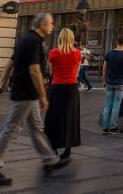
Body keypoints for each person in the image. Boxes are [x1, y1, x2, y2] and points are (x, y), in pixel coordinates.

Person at [0, 13, 70, 185]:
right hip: (27, 93)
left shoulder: (24, 39)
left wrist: (0, 88)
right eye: (50, 23)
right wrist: (44, 96)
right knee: (11, 130)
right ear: (42, 24)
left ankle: (50, 160)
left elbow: (9, 65)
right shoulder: (33, 41)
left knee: (36, 127)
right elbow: (34, 70)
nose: (52, 26)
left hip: (28, 93)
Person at [44, 28, 82, 159]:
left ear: (59, 38)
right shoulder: (77, 53)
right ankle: (68, 148)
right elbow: (77, 71)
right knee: (70, 116)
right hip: (72, 87)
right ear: (71, 39)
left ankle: (53, 146)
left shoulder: (53, 53)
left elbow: (51, 72)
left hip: (57, 86)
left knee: (54, 116)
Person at [101, 35, 123, 134]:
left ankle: (105, 127)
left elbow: (104, 68)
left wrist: (104, 80)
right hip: (120, 82)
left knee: (107, 105)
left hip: (109, 81)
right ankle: (113, 127)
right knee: (116, 105)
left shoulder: (109, 53)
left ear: (116, 42)